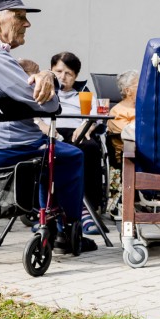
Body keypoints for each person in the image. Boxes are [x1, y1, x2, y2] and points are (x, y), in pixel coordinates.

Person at [0, 0, 94, 253]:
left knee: (47, 156)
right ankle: (69, 227)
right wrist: (43, 73)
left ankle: (49, 223)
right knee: (70, 156)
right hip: (3, 149)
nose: (27, 23)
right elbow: (51, 105)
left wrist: (27, 70)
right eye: (19, 17)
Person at [37, 51, 104, 234]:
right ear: (50, 71)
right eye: (58, 71)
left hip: (76, 135)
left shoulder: (83, 95)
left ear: (75, 77)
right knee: (40, 152)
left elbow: (96, 116)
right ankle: (45, 210)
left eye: (68, 73)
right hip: (49, 133)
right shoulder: (42, 91)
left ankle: (87, 208)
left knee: (91, 148)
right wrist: (43, 126)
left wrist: (86, 127)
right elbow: (32, 115)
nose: (62, 76)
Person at [107, 70, 139, 162]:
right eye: (139, 85)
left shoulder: (144, 108)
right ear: (128, 91)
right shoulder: (117, 112)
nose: (145, 88)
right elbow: (130, 134)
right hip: (129, 156)